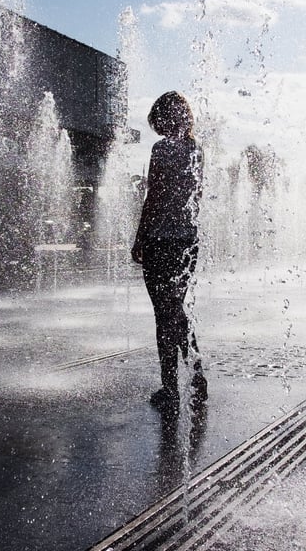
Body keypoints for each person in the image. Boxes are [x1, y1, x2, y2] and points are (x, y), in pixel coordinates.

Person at [131, 91, 207, 413]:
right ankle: (194, 376)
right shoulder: (197, 150)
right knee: (176, 310)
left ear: (165, 117)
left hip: (161, 241)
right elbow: (196, 196)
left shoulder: (161, 149)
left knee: (165, 315)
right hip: (188, 242)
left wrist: (139, 239)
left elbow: (154, 198)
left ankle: (172, 386)